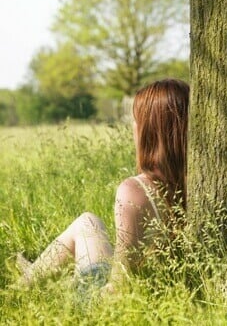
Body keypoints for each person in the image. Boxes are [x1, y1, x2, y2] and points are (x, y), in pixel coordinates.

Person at [16, 78, 189, 289]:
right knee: (87, 225)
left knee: (86, 222)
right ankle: (38, 272)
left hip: (111, 306)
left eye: (136, 120)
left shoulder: (134, 190)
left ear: (148, 131)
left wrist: (87, 290)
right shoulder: (197, 179)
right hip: (168, 289)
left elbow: (120, 289)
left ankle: (21, 287)